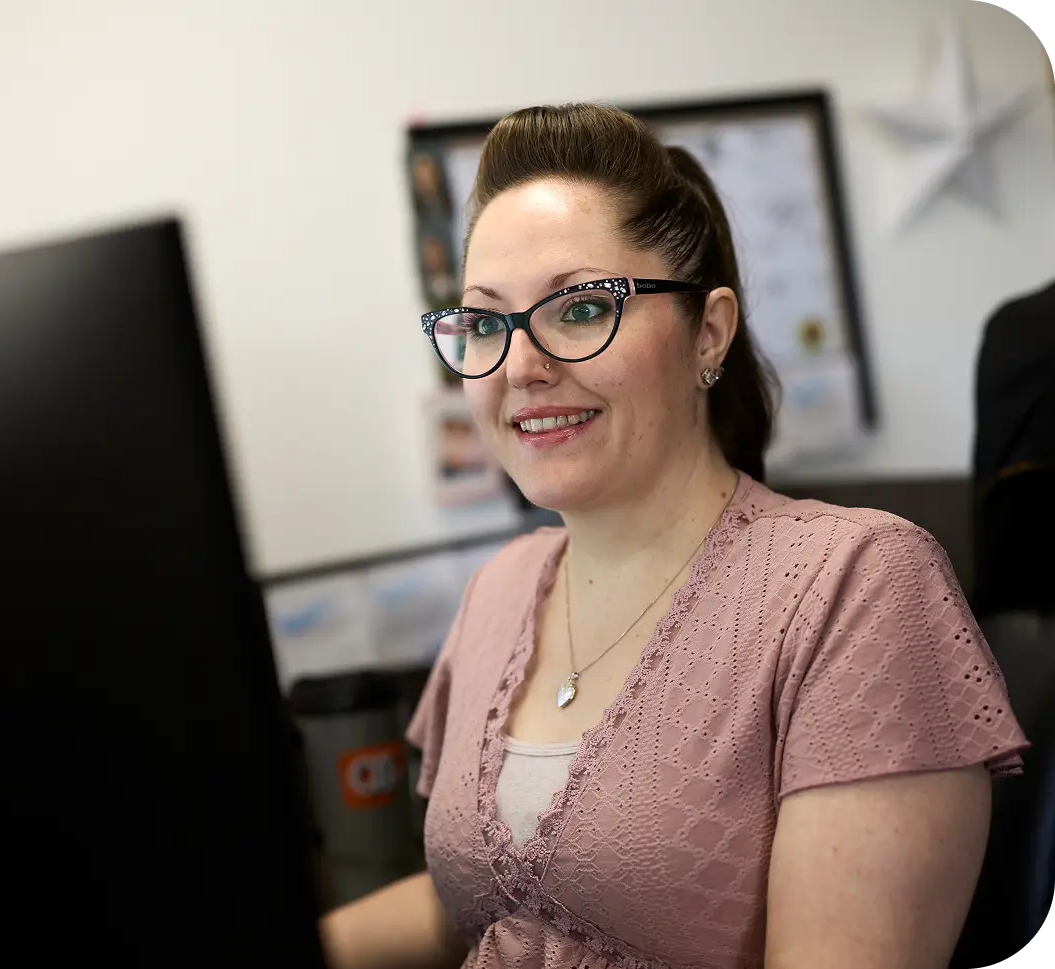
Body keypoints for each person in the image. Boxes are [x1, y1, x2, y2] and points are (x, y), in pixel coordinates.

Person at [319, 103, 1028, 969]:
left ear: (712, 331)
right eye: (485, 321)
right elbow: (475, 898)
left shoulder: (856, 583)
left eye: (580, 309)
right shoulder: (499, 588)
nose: (522, 366)